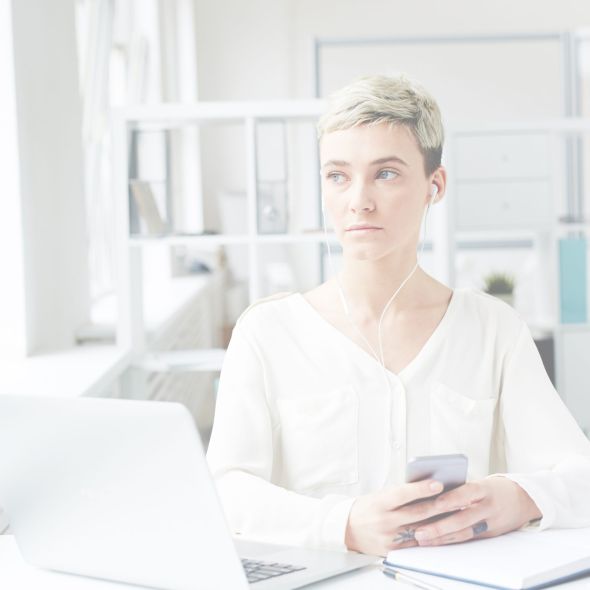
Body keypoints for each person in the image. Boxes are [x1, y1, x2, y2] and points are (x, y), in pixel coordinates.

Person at [206, 74, 590, 557]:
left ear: (435, 185)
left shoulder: (494, 330)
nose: (358, 200)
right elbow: (224, 491)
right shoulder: (266, 333)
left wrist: (518, 498)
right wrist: (341, 524)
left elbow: (579, 478)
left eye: (385, 173)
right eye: (338, 175)